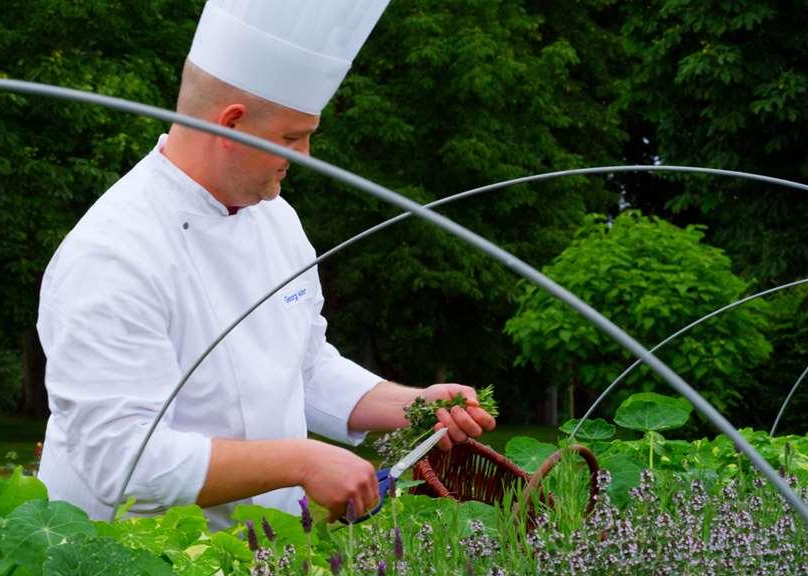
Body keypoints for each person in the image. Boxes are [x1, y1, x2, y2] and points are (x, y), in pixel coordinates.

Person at [36, 0, 496, 528]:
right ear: (232, 124)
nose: (302, 156)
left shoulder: (276, 218)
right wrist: (301, 461)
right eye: (291, 136)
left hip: (262, 546)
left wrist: (413, 404)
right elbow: (123, 461)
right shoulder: (113, 254)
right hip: (134, 548)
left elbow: (303, 367)